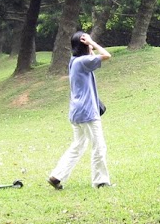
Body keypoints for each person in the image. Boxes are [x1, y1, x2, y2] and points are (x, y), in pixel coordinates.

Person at [48, 32, 112, 189]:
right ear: (84, 44)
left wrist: (88, 46)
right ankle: (101, 181)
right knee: (99, 146)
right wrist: (93, 42)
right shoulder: (83, 62)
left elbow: (92, 58)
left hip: (77, 112)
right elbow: (106, 55)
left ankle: (57, 176)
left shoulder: (74, 61)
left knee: (78, 145)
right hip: (87, 112)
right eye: (87, 41)